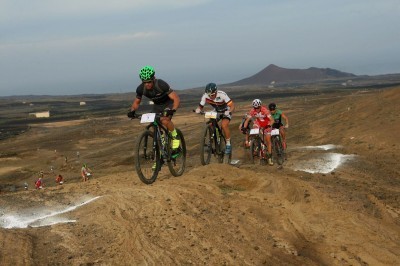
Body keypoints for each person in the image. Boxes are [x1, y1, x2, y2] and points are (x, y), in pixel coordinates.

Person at [127, 65, 181, 151]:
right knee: (154, 122)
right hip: (157, 106)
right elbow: (136, 102)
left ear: (153, 78)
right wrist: (132, 111)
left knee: (164, 120)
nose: (147, 84)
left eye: (149, 81)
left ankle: (175, 136)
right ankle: (162, 141)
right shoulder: (140, 89)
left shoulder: (161, 84)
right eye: (144, 82)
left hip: (168, 104)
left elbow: (176, 98)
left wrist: (173, 110)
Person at [195, 83, 235, 154]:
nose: (211, 96)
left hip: (226, 110)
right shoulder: (205, 96)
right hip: (216, 111)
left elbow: (232, 106)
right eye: (209, 95)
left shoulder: (222, 94)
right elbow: (200, 106)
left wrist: (229, 111)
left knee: (224, 125)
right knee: (210, 123)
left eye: (212, 95)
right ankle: (211, 143)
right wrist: (198, 109)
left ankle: (228, 144)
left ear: (216, 91)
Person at [243, 99, 274, 165]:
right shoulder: (252, 111)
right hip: (259, 123)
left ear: (260, 106)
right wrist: (244, 128)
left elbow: (272, 120)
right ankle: (256, 145)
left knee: (268, 140)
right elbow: (247, 120)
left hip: (267, 123)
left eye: (258, 107)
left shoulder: (265, 110)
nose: (256, 109)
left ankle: (270, 157)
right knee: (254, 129)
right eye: (255, 108)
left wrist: (269, 125)